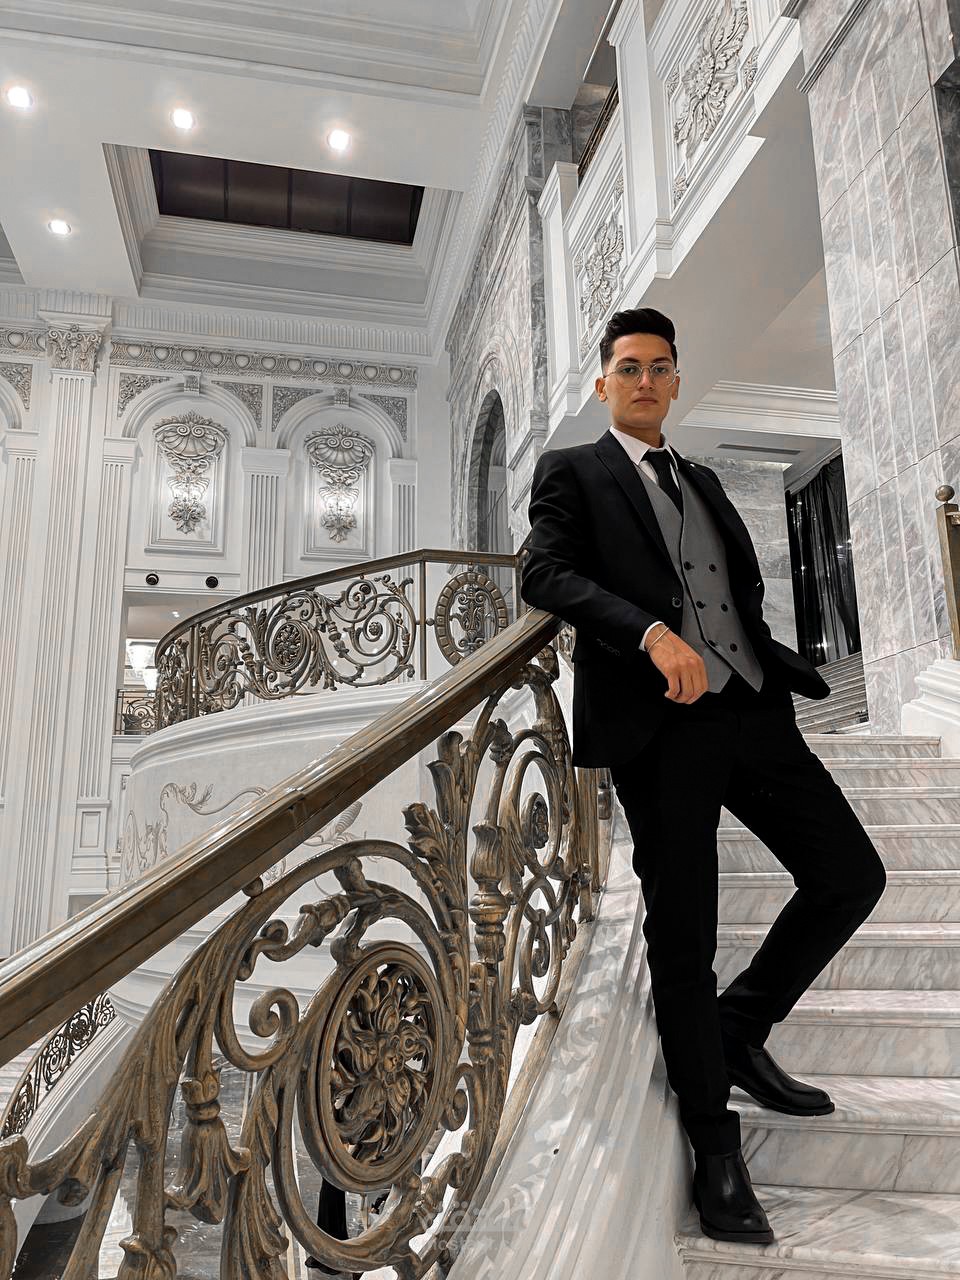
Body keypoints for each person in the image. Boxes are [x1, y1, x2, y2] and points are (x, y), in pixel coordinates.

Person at [519, 306, 887, 1243]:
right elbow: (544, 574)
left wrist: (765, 664)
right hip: (659, 729)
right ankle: (717, 1151)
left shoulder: (704, 478)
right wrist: (647, 633)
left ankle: (740, 1027)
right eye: (629, 367)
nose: (645, 380)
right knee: (685, 938)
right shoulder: (573, 470)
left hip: (752, 711)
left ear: (676, 381)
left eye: (660, 367)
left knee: (851, 875)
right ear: (603, 383)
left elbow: (731, 590)